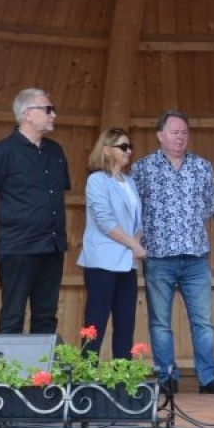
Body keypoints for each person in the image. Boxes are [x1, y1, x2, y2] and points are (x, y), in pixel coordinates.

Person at [133, 111, 214, 394]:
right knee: (160, 322)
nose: (180, 137)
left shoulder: (202, 166)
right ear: (160, 135)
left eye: (184, 132)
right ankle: (167, 376)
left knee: (203, 322)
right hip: (158, 256)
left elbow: (210, 205)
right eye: (174, 132)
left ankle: (208, 377)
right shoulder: (143, 168)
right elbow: (135, 209)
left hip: (195, 256)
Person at [0, 88, 69, 335]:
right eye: (48, 110)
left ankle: (42, 363)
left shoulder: (56, 152)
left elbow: (58, 195)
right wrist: (3, 230)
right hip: (17, 246)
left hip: (51, 245)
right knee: (13, 314)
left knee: (46, 315)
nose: (53, 115)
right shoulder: (2, 152)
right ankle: (9, 363)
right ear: (27, 114)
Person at [78, 127, 145, 360]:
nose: (129, 151)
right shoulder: (97, 180)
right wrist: (133, 244)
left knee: (126, 323)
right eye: (123, 146)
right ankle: (86, 374)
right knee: (95, 323)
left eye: (130, 146)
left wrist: (137, 240)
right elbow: (104, 221)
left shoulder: (130, 181)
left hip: (127, 262)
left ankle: (121, 374)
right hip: (102, 262)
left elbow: (137, 220)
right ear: (106, 150)